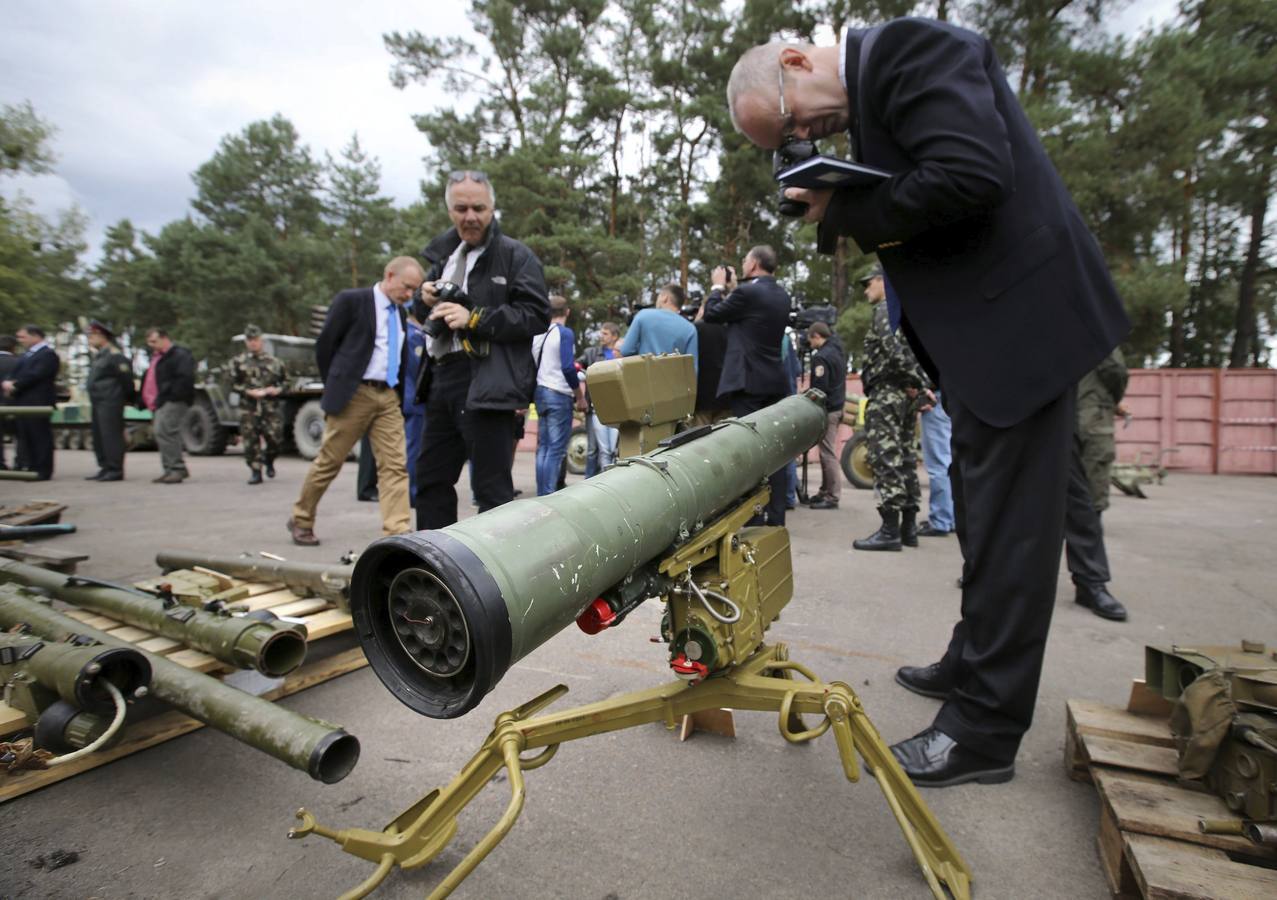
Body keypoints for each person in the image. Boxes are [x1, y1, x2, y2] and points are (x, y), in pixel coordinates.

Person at [728, 18, 1129, 786]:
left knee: (1012, 531)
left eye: (793, 123)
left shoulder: (912, 51)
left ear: (794, 60)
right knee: (983, 514)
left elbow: (972, 173)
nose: (805, 135)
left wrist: (842, 210)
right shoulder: (878, 92)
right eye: (791, 140)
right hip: (988, 334)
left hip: (1024, 326)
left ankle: (982, 730)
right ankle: (972, 660)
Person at [413, 170, 550, 529]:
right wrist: (421, 298)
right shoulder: (443, 255)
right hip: (442, 376)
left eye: (478, 207)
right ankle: (434, 571)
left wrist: (475, 317)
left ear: (492, 208)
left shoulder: (515, 255)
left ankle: (495, 579)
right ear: (449, 210)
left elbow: (536, 315)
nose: (470, 216)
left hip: (489, 380)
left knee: (491, 490)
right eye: (461, 208)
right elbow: (424, 314)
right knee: (429, 481)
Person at [289, 256, 423, 544]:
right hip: (354, 393)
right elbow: (326, 346)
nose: (409, 295)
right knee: (330, 461)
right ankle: (301, 518)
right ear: (389, 275)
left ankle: (397, 532)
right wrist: (338, 383)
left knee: (395, 465)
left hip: (387, 395)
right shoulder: (351, 301)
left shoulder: (399, 313)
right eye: (406, 287)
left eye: (414, 290)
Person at [704, 245, 792, 526]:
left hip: (747, 383)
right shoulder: (781, 295)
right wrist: (733, 290)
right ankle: (776, 514)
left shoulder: (748, 293)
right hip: (773, 380)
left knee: (751, 450)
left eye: (744, 261)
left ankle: (753, 516)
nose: (742, 265)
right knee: (775, 450)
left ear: (753, 264)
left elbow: (712, 314)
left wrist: (718, 287)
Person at [851, 267, 926, 549]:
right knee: (905, 457)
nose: (865, 289)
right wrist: (920, 384)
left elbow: (894, 352)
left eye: (868, 283)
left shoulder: (885, 311)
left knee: (886, 459)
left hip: (888, 394)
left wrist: (918, 382)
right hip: (904, 395)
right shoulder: (905, 313)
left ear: (883, 281)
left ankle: (890, 531)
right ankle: (909, 529)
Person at [1066, 347, 1128, 621]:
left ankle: (1090, 581)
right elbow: (1116, 371)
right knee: (1087, 502)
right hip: (1084, 416)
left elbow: (1114, 369)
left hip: (1074, 416)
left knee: (1087, 503)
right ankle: (1089, 583)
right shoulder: (1090, 311)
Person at [531, 295, 583, 495]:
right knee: (556, 449)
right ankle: (548, 494)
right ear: (567, 312)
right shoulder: (565, 333)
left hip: (541, 392)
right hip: (559, 393)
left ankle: (541, 492)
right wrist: (579, 395)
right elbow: (568, 368)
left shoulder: (538, 334)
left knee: (543, 447)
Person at [229, 324, 285, 485]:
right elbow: (231, 383)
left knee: (275, 439)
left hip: (270, 407)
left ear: (261, 341)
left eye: (255, 340)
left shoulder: (275, 362)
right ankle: (255, 470)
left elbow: (287, 382)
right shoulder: (238, 362)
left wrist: (277, 390)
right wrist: (247, 391)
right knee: (250, 440)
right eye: (249, 340)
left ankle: (269, 459)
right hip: (249, 408)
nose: (253, 343)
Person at [2, 325, 59, 480]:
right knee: (27, 437)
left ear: (36, 336)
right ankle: (32, 467)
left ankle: (43, 470)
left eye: (23, 337)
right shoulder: (27, 355)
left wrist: (16, 384)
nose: (20, 341)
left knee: (39, 436)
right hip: (24, 402)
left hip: (38, 402)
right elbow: (15, 372)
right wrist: (8, 382)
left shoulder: (47, 354)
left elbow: (36, 374)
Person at [142, 328, 195, 484]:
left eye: (154, 341)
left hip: (174, 400)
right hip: (161, 401)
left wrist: (172, 395)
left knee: (167, 431)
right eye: (149, 343)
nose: (152, 345)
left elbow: (184, 377)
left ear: (164, 338)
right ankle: (169, 469)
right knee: (160, 433)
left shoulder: (179, 355)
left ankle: (177, 469)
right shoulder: (158, 357)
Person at [84, 320, 135, 482]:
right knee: (99, 436)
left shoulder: (115, 355)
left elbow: (126, 380)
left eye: (91, 336)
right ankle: (105, 466)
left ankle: (115, 469)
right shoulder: (100, 355)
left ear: (102, 336)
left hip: (111, 401)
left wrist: (128, 398)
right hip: (98, 401)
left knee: (111, 436)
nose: (89, 339)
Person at [805, 321, 847, 510]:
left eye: (810, 339)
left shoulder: (821, 357)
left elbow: (819, 388)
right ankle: (825, 490)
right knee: (825, 452)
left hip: (828, 410)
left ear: (816, 336)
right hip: (838, 406)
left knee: (828, 453)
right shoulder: (837, 351)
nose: (809, 343)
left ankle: (832, 495)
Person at [579, 321, 622, 475]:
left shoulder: (621, 353)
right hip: (595, 407)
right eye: (601, 333)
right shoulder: (592, 353)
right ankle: (588, 481)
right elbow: (577, 365)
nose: (601, 336)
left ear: (615, 336)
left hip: (617, 408)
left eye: (605, 333)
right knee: (592, 449)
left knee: (612, 449)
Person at [620, 285, 698, 365]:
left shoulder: (643, 315)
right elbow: (692, 367)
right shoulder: (690, 329)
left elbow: (626, 350)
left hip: (644, 375)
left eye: (658, 296)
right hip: (674, 376)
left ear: (665, 298)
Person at [916, 384, 954, 537]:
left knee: (938, 465)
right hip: (948, 396)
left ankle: (940, 520)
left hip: (935, 398)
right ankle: (950, 518)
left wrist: (922, 389)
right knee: (947, 460)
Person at [401, 309, 428, 501]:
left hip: (413, 399)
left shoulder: (411, 332)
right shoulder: (414, 335)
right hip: (416, 400)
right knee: (415, 448)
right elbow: (419, 369)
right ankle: (412, 491)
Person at [690, 298, 729, 429]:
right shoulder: (731, 329)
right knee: (724, 435)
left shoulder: (695, 328)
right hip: (726, 394)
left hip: (702, 395)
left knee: (700, 436)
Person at [0, 335, 26, 470]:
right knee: (21, 435)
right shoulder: (20, 362)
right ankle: (20, 463)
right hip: (16, 404)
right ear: (13, 348)